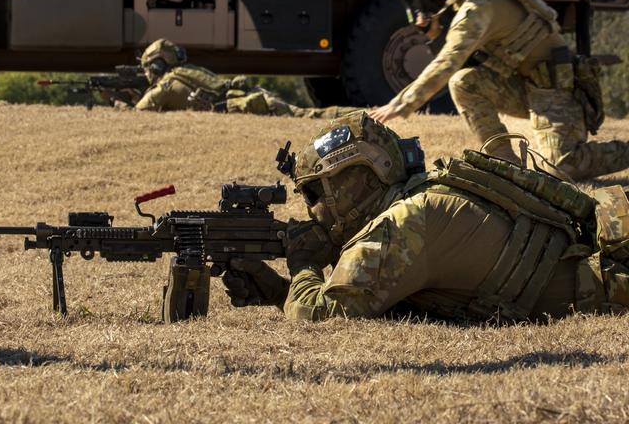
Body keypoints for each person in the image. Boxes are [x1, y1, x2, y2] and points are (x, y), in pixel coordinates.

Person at [221, 111, 629, 322]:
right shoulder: (423, 198)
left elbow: (325, 317)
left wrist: (305, 265)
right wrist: (279, 291)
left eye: (314, 192)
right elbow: (378, 299)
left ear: (360, 179)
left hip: (607, 287)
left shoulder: (405, 223)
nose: (311, 208)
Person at [368, 0, 628, 181]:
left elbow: (448, 62)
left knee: (564, 167)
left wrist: (400, 104)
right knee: (464, 83)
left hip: (556, 92)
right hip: (526, 86)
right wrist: (433, 30)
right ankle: (505, 162)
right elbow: (467, 55)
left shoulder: (478, 8)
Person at [133, 38, 353, 117]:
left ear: (157, 64)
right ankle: (364, 112)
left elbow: (139, 114)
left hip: (247, 105)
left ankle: (367, 114)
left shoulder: (167, 85)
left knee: (311, 116)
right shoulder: (188, 72)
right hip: (253, 98)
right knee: (310, 114)